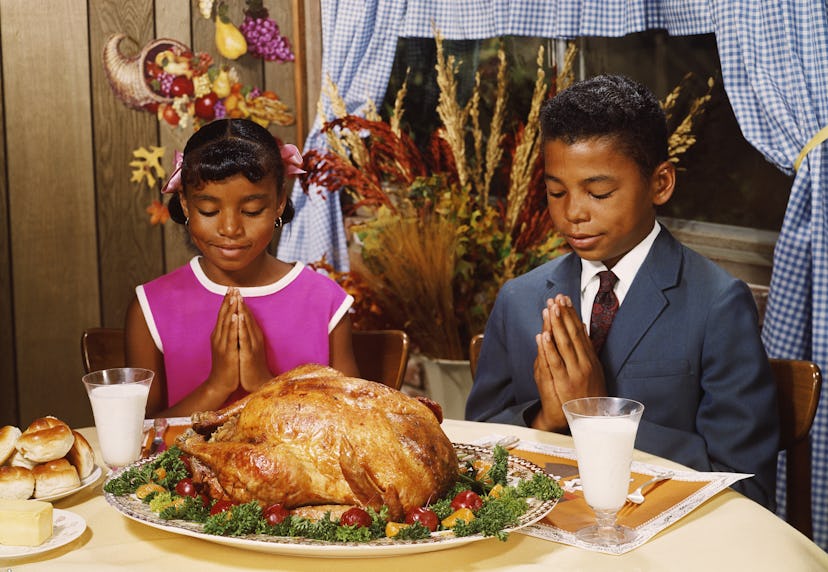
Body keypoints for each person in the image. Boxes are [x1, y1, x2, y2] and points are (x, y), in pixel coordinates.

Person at [465, 75, 779, 509]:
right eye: (556, 192)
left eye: (599, 192)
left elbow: (746, 486)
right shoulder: (519, 299)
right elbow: (473, 456)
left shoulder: (717, 305)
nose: (573, 212)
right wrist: (545, 418)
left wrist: (593, 417)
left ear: (660, 184)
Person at [126, 118, 359, 418]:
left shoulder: (326, 303)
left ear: (278, 204)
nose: (231, 228)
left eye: (251, 211)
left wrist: (264, 384)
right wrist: (216, 386)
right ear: (185, 205)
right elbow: (140, 442)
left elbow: (353, 427)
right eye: (209, 210)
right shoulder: (149, 309)